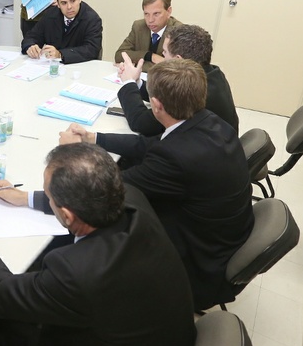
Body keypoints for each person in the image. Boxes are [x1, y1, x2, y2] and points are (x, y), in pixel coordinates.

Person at [0, 143, 195, 346]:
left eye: (48, 195)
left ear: (66, 214)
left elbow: (2, 294)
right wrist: (24, 197)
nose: (47, 197)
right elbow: (85, 200)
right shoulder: (132, 198)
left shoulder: (75, 272)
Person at [60, 59, 254, 310]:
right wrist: (93, 138)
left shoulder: (176, 158)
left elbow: (106, 191)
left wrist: (72, 155)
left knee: (96, 216)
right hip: (218, 237)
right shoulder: (210, 122)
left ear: (156, 105)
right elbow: (151, 145)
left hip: (197, 266)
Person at [116, 24, 239, 136]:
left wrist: (129, 83)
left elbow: (141, 123)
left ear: (178, 60)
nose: (162, 57)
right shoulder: (213, 73)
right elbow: (165, 93)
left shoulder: (188, 90)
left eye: (165, 53)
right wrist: (137, 82)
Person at [20, 0, 102, 63]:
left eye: (73, 1)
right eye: (64, 3)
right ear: (58, 4)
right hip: (53, 66)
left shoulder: (92, 19)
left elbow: (92, 49)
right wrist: (30, 46)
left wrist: (60, 54)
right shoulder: (50, 15)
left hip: (82, 66)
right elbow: (32, 36)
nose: (69, 7)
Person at [114, 0, 182, 66]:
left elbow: (176, 68)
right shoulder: (139, 26)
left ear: (169, 11)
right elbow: (119, 55)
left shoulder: (179, 32)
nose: (150, 20)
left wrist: (136, 65)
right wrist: (150, 56)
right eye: (146, 14)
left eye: (156, 14)